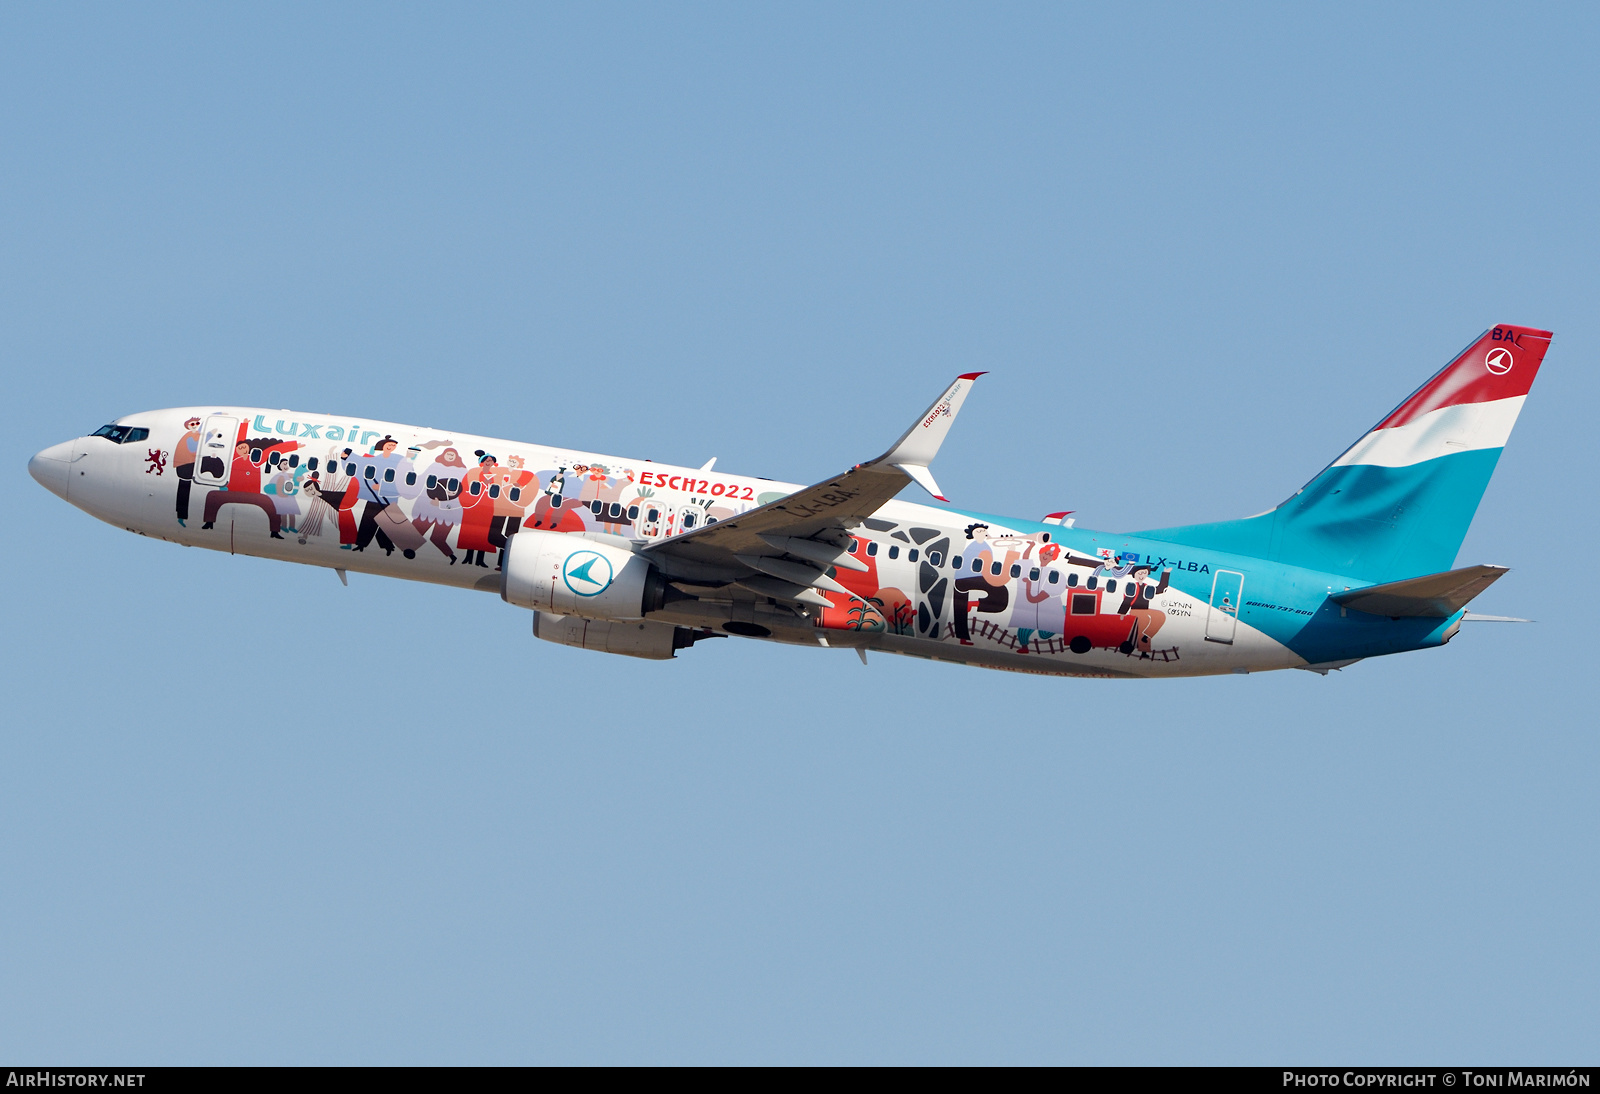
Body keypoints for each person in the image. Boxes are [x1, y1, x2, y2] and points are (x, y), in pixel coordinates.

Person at [173, 416, 200, 525]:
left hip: (189, 464)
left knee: (184, 489)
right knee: (184, 489)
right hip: (185, 466)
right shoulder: (189, 436)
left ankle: (181, 515)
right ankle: (181, 515)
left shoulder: (195, 435)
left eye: (197, 424)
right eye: (192, 424)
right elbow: (193, 448)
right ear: (188, 426)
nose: (195, 426)